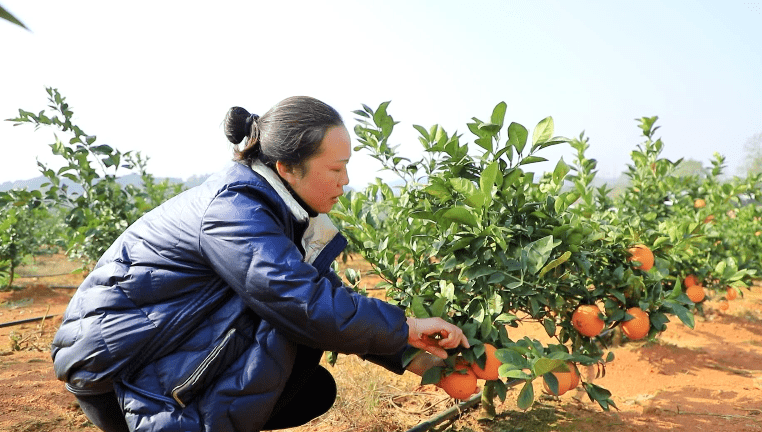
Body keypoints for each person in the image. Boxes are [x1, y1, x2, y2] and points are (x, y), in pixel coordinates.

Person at [51, 96, 469, 432]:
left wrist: (412, 356)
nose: (345, 181)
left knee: (310, 385)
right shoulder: (234, 207)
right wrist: (405, 326)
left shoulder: (280, 211)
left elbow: (319, 292)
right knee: (292, 321)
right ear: (287, 167)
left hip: (158, 344)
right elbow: (296, 298)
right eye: (336, 168)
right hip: (119, 366)